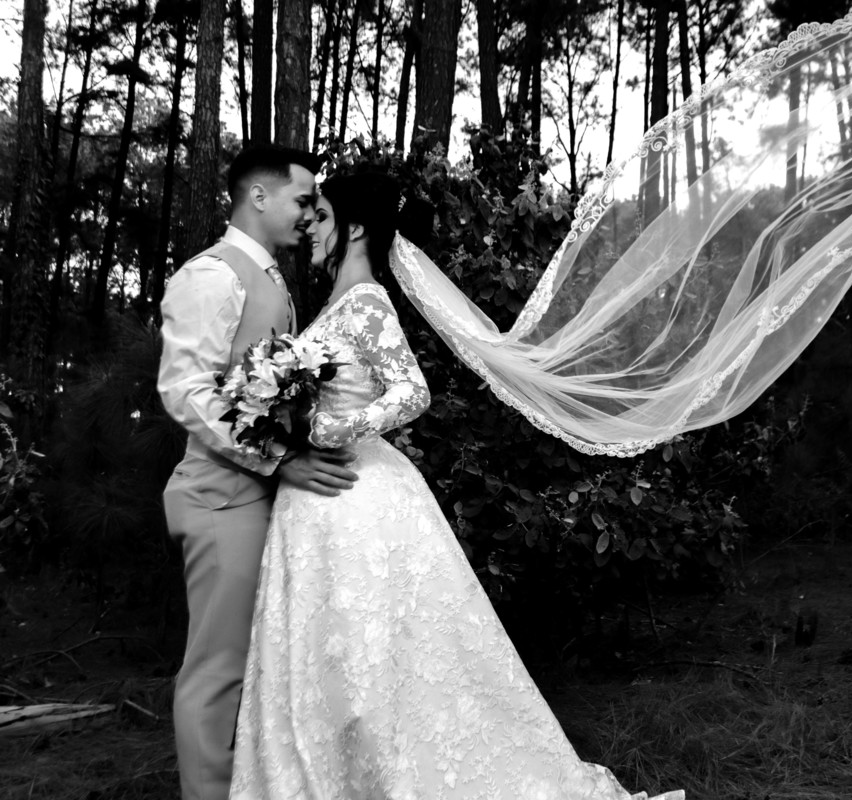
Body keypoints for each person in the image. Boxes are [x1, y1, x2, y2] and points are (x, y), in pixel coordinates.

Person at [228, 171, 682, 800]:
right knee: (328, 657)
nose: (309, 226)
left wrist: (331, 427)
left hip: (356, 496)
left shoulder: (365, 302)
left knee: (364, 658)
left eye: (322, 216)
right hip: (321, 506)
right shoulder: (338, 305)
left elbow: (412, 392)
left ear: (355, 228)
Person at [159, 144, 361, 800]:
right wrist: (280, 459)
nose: (308, 214)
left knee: (260, 668)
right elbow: (185, 390)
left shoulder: (271, 279)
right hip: (221, 501)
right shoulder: (213, 275)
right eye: (302, 200)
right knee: (218, 673)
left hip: (259, 501)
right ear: (258, 196)